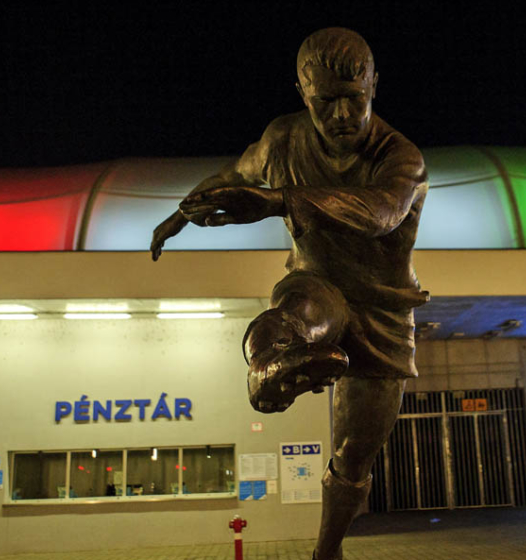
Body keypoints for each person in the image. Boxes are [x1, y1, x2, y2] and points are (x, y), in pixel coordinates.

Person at [151, 27, 428, 560]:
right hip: (318, 280)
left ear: (374, 85)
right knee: (296, 317)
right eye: (325, 102)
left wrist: (280, 200)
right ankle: (268, 366)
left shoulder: (402, 156)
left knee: (354, 454)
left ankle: (327, 551)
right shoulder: (283, 139)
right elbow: (232, 175)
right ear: (303, 94)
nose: (342, 115)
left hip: (384, 309)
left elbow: (379, 213)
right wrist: (180, 214)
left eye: (354, 98)